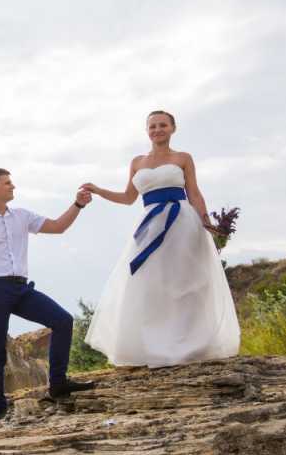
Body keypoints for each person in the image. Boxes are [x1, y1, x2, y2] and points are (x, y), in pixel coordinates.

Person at [81, 110, 240, 367]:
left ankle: (189, 343)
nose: (157, 130)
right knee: (148, 282)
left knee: (185, 281)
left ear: (172, 128)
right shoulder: (137, 162)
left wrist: (207, 223)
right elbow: (128, 198)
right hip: (150, 226)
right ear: (147, 131)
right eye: (152, 126)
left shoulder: (183, 158)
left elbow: (194, 194)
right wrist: (98, 190)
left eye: (163, 125)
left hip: (182, 223)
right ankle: (154, 345)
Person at [0, 168, 96, 420]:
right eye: (7, 183)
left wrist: (78, 204)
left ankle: (58, 384)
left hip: (21, 288)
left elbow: (58, 226)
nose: (13, 186)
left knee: (63, 320)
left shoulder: (22, 216)